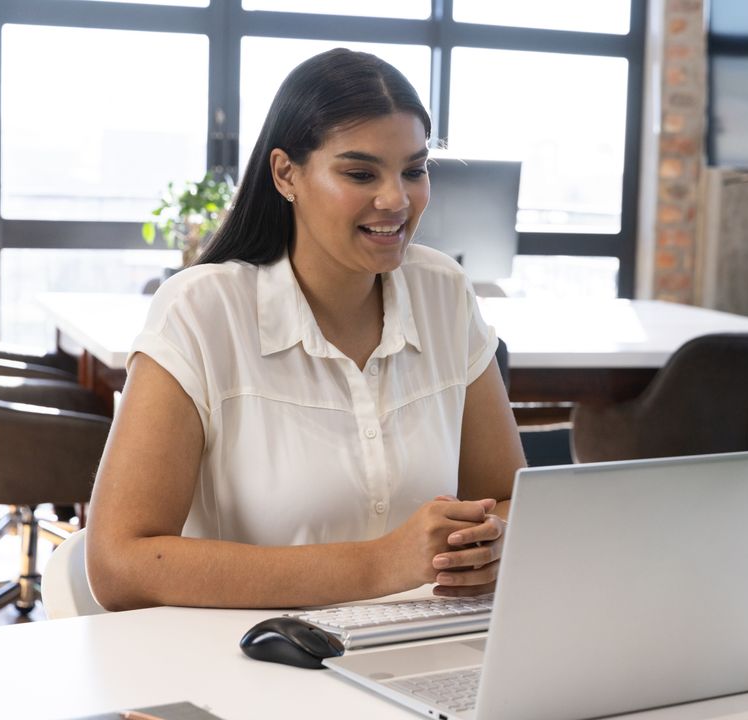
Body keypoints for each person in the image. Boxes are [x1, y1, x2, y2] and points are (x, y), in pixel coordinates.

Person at [86, 48, 526, 611]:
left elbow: (511, 498)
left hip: (424, 648)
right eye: (360, 172)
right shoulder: (201, 311)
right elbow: (120, 564)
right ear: (285, 174)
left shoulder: (444, 291)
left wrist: (489, 546)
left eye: (414, 170)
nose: (396, 199)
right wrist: (380, 562)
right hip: (251, 664)